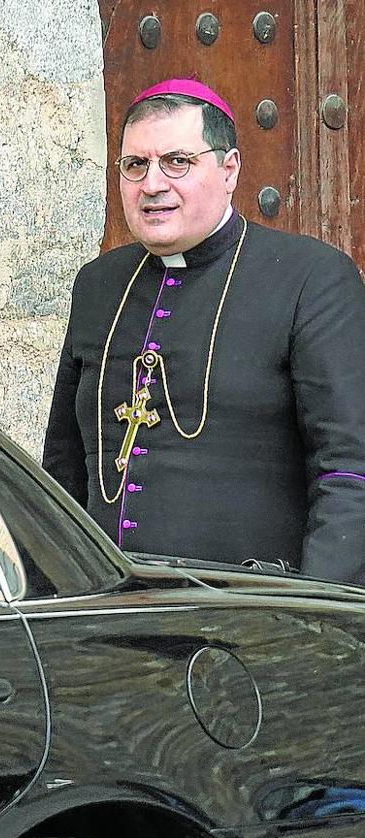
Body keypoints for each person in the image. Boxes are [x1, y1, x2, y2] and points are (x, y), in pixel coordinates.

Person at [42, 78, 365, 583]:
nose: (152, 184)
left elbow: (349, 473)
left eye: (177, 162)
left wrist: (314, 621)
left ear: (229, 169)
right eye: (135, 165)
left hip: (249, 621)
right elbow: (62, 469)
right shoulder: (99, 284)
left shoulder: (310, 278)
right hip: (108, 617)